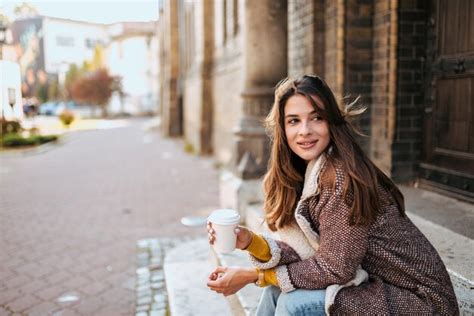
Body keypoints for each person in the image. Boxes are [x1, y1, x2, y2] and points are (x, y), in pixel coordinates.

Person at [206, 75, 459, 315]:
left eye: (316, 118)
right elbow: (308, 253)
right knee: (275, 291)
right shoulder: (308, 172)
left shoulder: (341, 178)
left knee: (294, 304)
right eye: (293, 120)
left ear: (331, 121)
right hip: (380, 287)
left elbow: (334, 268)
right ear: (282, 129)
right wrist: (249, 241)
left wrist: (254, 276)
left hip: (420, 302)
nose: (304, 130)